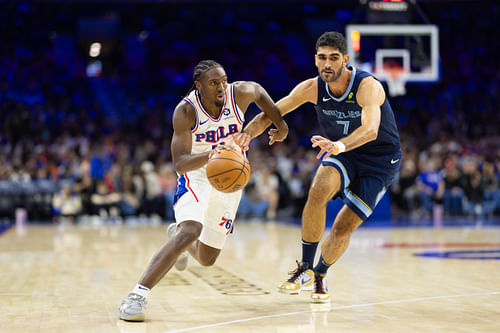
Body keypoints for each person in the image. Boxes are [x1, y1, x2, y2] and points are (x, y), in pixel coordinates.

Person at [118, 60, 288, 321]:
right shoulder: (185, 112)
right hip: (196, 175)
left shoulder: (241, 93)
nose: (221, 87)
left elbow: (261, 95)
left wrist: (282, 125)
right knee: (191, 230)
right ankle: (136, 296)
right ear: (198, 86)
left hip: (230, 179)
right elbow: (180, 163)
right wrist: (212, 155)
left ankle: (180, 239)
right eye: (213, 83)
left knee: (207, 259)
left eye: (223, 80)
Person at [239, 32, 401, 303]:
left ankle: (320, 273)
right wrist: (244, 137)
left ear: (345, 60)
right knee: (318, 189)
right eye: (322, 57)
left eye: (334, 58)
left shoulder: (367, 86)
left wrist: (338, 146)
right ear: (315, 59)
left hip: (379, 161)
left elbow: (371, 130)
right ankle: (304, 268)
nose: (327, 63)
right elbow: (271, 113)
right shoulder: (311, 88)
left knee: (341, 230)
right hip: (342, 153)